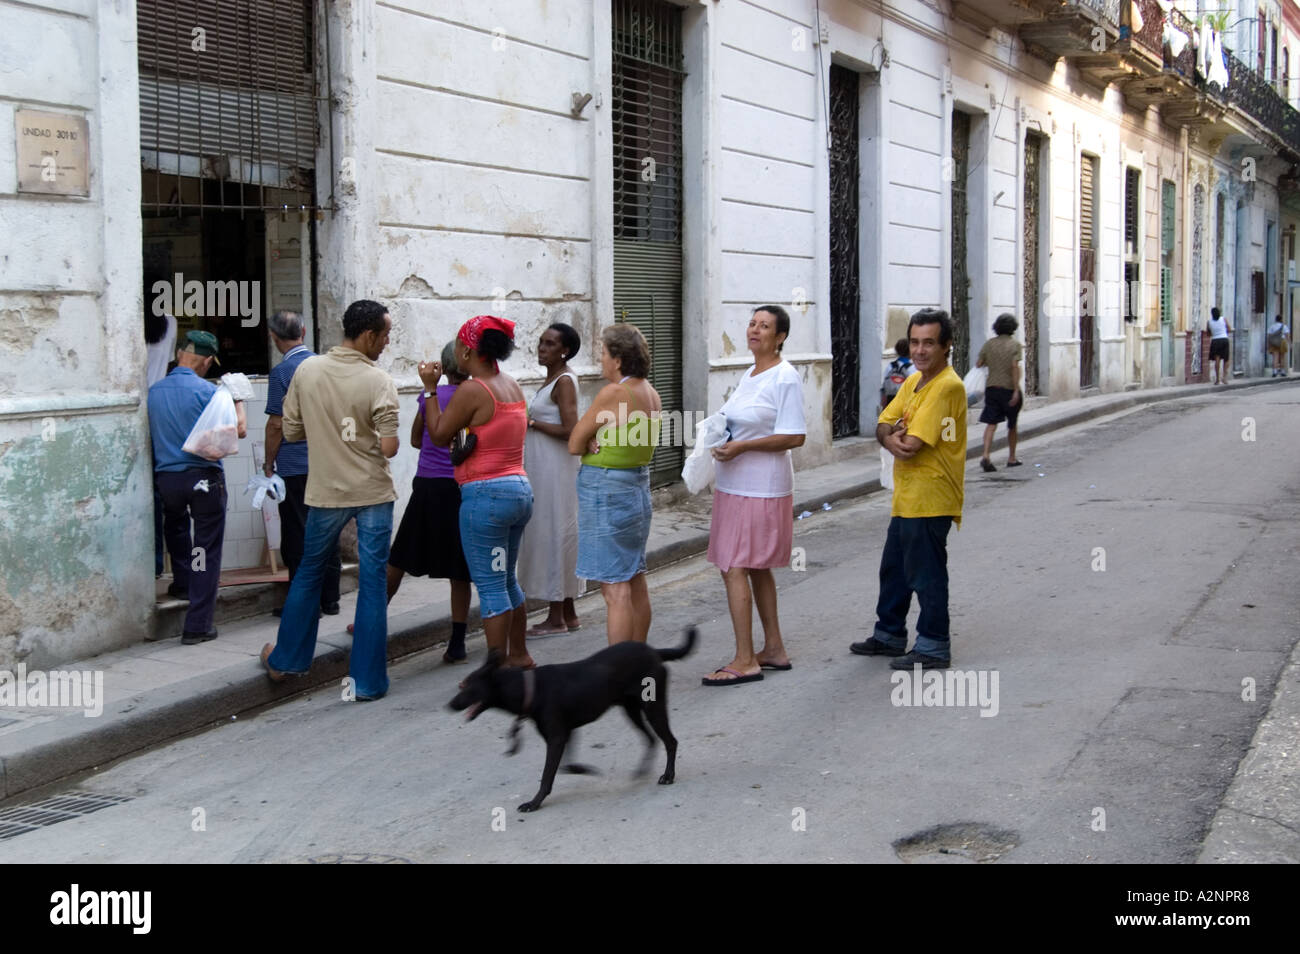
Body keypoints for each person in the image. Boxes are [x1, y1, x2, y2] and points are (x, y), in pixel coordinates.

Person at [261, 300, 400, 701]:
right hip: (372, 491)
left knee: (307, 572)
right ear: (370, 334)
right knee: (373, 583)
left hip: (326, 491)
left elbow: (291, 432)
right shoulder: (379, 381)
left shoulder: (307, 371)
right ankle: (368, 683)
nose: (387, 343)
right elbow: (389, 448)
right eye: (386, 335)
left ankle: (286, 659)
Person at [851, 308, 967, 670]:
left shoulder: (946, 385)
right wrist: (889, 435)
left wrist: (894, 435)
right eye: (915, 342)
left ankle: (933, 645)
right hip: (908, 496)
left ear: (946, 346)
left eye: (929, 343)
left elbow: (912, 442)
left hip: (932, 497)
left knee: (926, 574)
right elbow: (883, 422)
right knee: (895, 570)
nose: (919, 350)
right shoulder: (916, 382)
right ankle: (889, 634)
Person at [701, 305, 806, 686]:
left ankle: (745, 659)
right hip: (736, 484)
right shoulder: (751, 373)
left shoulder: (785, 377)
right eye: (752, 323)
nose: (755, 330)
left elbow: (795, 435)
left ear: (780, 337)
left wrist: (743, 447)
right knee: (757, 567)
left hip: (759, 487)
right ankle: (774, 648)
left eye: (764, 326)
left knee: (734, 566)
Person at [424, 315, 534, 668]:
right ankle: (519, 655)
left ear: (469, 350)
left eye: (458, 344)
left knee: (490, 587)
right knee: (506, 580)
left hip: (486, 497)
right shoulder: (512, 386)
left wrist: (429, 390)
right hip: (517, 491)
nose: (456, 351)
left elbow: (440, 434)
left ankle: (494, 672)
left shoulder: (474, 389)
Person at [358, 341, 475, 664]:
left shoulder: (430, 397)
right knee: (458, 567)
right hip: (458, 486)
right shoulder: (476, 398)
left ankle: (369, 621)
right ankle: (457, 641)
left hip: (427, 484)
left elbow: (414, 439)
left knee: (399, 557)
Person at [148, 330, 246, 643]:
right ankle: (198, 623)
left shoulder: (154, 391)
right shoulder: (209, 392)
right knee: (204, 548)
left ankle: (183, 582)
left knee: (176, 531)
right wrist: (238, 400)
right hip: (203, 480)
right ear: (205, 361)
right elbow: (238, 431)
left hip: (168, 480)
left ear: (179, 355)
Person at [568, 324, 662, 644]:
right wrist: (597, 435)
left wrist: (591, 437)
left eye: (604, 353)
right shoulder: (650, 392)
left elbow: (574, 442)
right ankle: (636, 659)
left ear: (619, 359)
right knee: (634, 576)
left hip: (606, 489)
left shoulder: (614, 393)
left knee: (614, 588)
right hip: (636, 486)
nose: (601, 360)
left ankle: (618, 672)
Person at [264, 311, 341, 617]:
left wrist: (268, 463)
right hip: (327, 462)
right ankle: (330, 599)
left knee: (297, 534)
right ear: (304, 331)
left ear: (273, 337)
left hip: (296, 466)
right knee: (328, 529)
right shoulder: (328, 368)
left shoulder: (282, 373)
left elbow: (275, 424)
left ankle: (303, 603)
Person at [518, 322, 583, 636]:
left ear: (565, 350)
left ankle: (556, 618)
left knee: (556, 533)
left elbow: (572, 430)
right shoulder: (553, 380)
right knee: (558, 532)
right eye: (541, 342)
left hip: (555, 470)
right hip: (546, 468)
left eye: (550, 344)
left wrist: (531, 423)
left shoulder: (564, 382)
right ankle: (568, 613)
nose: (542, 348)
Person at [144, 298, 178, 577]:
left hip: (134, 409)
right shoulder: (170, 322)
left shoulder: (130, 318)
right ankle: (158, 565)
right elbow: (166, 367)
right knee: (159, 489)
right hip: (159, 409)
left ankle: (152, 563)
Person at [975, 313, 1023, 472]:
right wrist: (1016, 390)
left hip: (991, 388)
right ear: (1013, 328)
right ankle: (1011, 457)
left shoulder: (989, 344)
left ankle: (986, 454)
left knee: (991, 423)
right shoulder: (1015, 345)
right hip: (1008, 388)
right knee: (1012, 424)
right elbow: (1015, 367)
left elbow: (979, 363)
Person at [880, 338, 912, 413]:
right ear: (910, 351)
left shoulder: (890, 366)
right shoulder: (913, 368)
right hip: (906, 402)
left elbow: (884, 385)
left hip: (891, 400)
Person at [1208, 306, 1232, 385]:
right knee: (1226, 359)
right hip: (1224, 339)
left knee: (1217, 359)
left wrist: (1214, 333)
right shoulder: (1223, 319)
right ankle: (1224, 378)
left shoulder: (1209, 322)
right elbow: (1229, 329)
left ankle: (1217, 379)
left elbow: (1208, 333)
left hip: (1215, 340)